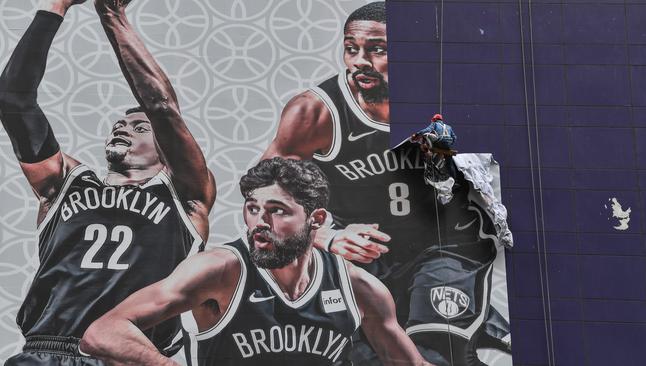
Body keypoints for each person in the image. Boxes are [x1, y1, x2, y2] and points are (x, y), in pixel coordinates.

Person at [262, 2, 506, 365]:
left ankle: (465, 321)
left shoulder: (448, 97)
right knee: (369, 356)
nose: (359, 60)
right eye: (351, 48)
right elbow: (266, 198)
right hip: (367, 253)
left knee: (433, 352)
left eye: (376, 49)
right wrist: (327, 237)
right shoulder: (315, 112)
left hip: (447, 242)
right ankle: (478, 327)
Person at [0, 0, 215, 364]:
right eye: (121, 123)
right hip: (46, 351)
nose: (123, 126)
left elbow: (161, 107)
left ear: (164, 148)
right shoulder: (65, 183)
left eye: (139, 127)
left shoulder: (185, 195)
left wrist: (111, 13)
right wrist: (57, 5)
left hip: (129, 355)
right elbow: (13, 99)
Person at [79, 158, 432, 366]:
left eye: (277, 211)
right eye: (252, 209)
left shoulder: (356, 286)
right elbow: (102, 332)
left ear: (317, 219)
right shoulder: (221, 269)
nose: (260, 221)